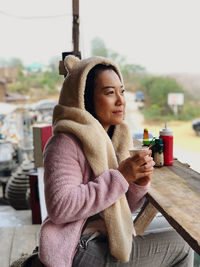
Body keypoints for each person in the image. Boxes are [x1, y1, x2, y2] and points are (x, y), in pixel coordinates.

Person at [39, 55, 193, 267]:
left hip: (101, 234)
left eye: (121, 91)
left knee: (171, 234)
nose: (120, 100)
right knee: (182, 246)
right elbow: (60, 207)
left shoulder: (111, 138)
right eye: (109, 93)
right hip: (76, 248)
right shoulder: (65, 142)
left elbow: (118, 206)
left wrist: (137, 183)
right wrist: (121, 176)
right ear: (84, 98)